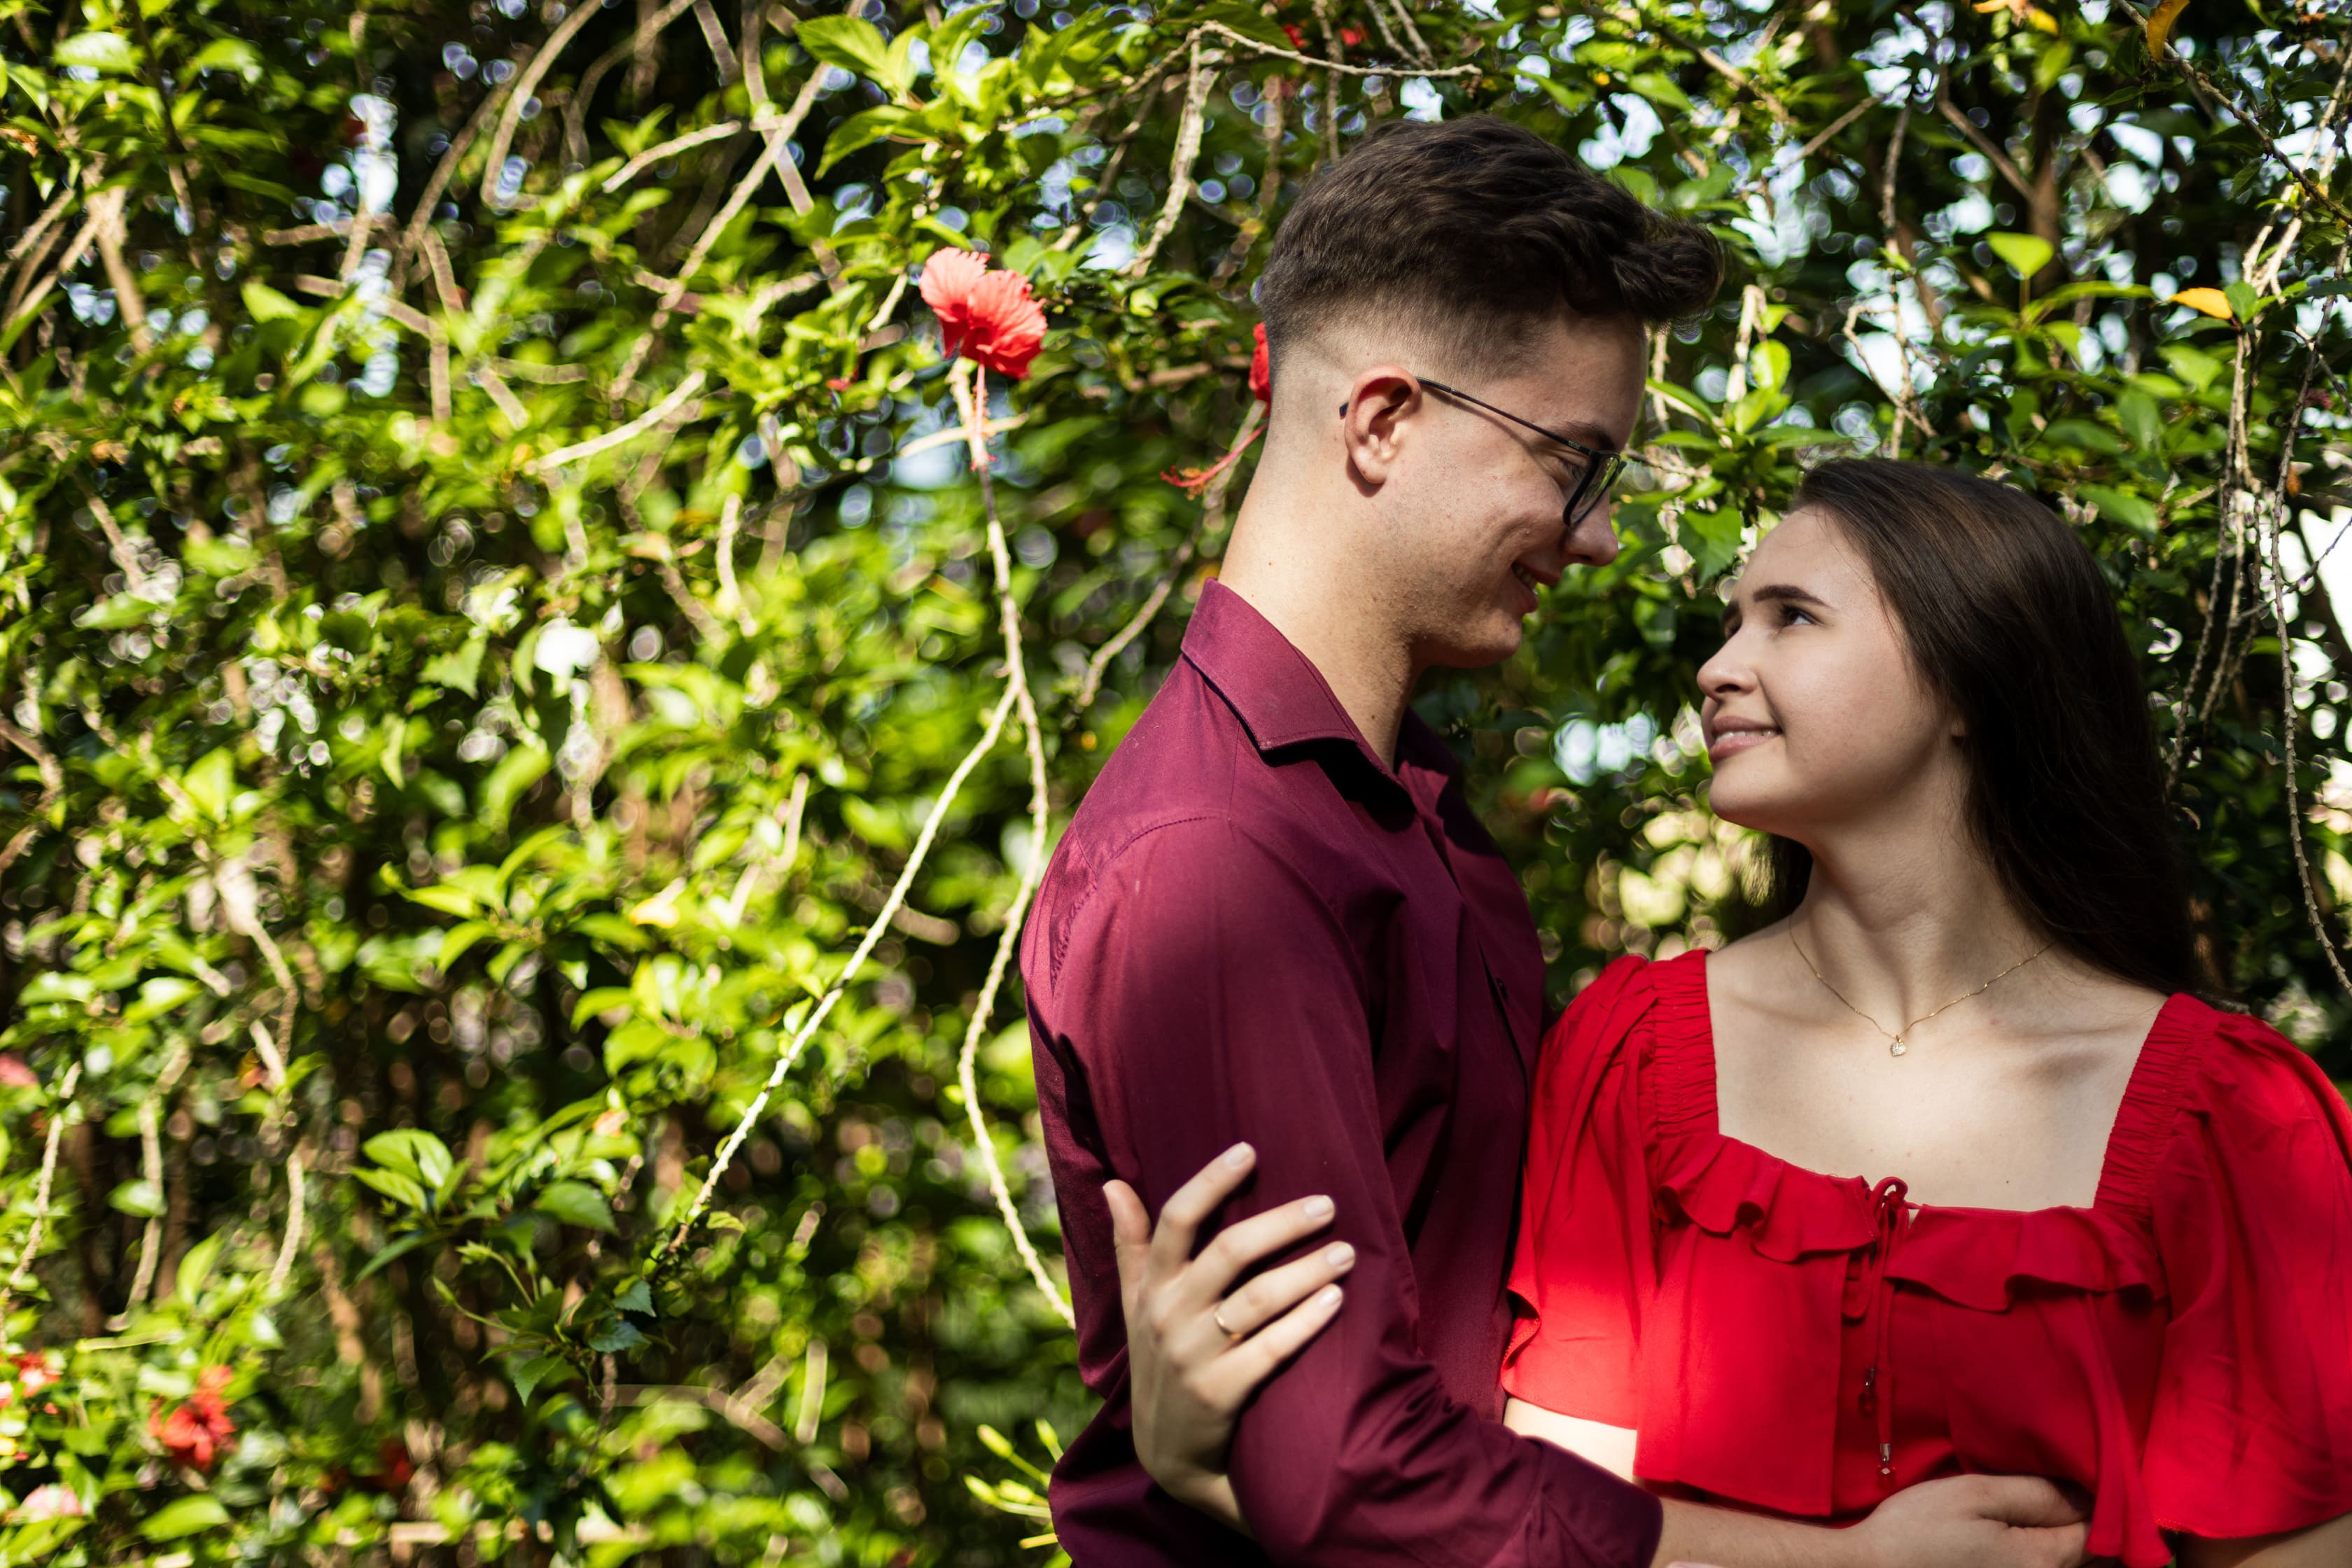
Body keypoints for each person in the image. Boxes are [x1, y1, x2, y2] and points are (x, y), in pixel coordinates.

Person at [1023, 113, 2094, 1568]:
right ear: (1384, 420)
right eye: (1572, 462)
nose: (1593, 536)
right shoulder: (1220, 863)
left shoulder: (1403, 817)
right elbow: (1354, 1484)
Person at [1108, 458, 2352, 1567]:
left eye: (1792, 617)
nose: (1717, 669)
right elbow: (1561, 1527)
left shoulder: (2239, 1123)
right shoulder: (1629, 1059)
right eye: (1729, 621)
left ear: (1976, 675)